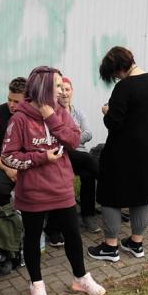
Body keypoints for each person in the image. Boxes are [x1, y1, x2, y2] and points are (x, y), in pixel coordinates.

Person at [1, 66, 105, 295]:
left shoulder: (60, 112)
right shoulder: (20, 118)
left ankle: (81, 278)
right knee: (33, 237)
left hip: (61, 187)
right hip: (33, 192)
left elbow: (74, 140)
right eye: (57, 85)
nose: (61, 90)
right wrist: (40, 158)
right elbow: (8, 157)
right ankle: (36, 284)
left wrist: (51, 117)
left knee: (72, 234)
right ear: (43, 87)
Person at [87, 47, 148, 262]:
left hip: (122, 152)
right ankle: (136, 243)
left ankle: (110, 246)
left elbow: (114, 122)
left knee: (110, 196)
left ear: (117, 69)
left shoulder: (124, 87)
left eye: (114, 74)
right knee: (141, 196)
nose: (115, 78)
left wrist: (106, 112)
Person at [59, 76, 101, 233]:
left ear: (72, 91)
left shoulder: (79, 112)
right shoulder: (54, 113)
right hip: (64, 155)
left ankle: (87, 216)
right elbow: (59, 139)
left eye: (67, 89)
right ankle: (110, 182)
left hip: (80, 156)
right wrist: (74, 136)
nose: (64, 93)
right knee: (89, 159)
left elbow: (89, 133)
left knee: (88, 174)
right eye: (61, 90)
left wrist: (71, 137)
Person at [0, 77, 26, 207]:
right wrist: (7, 168)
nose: (11, 105)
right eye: (9, 100)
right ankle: (2, 217)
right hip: (0, 164)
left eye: (16, 101)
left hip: (27, 163)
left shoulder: (36, 116)